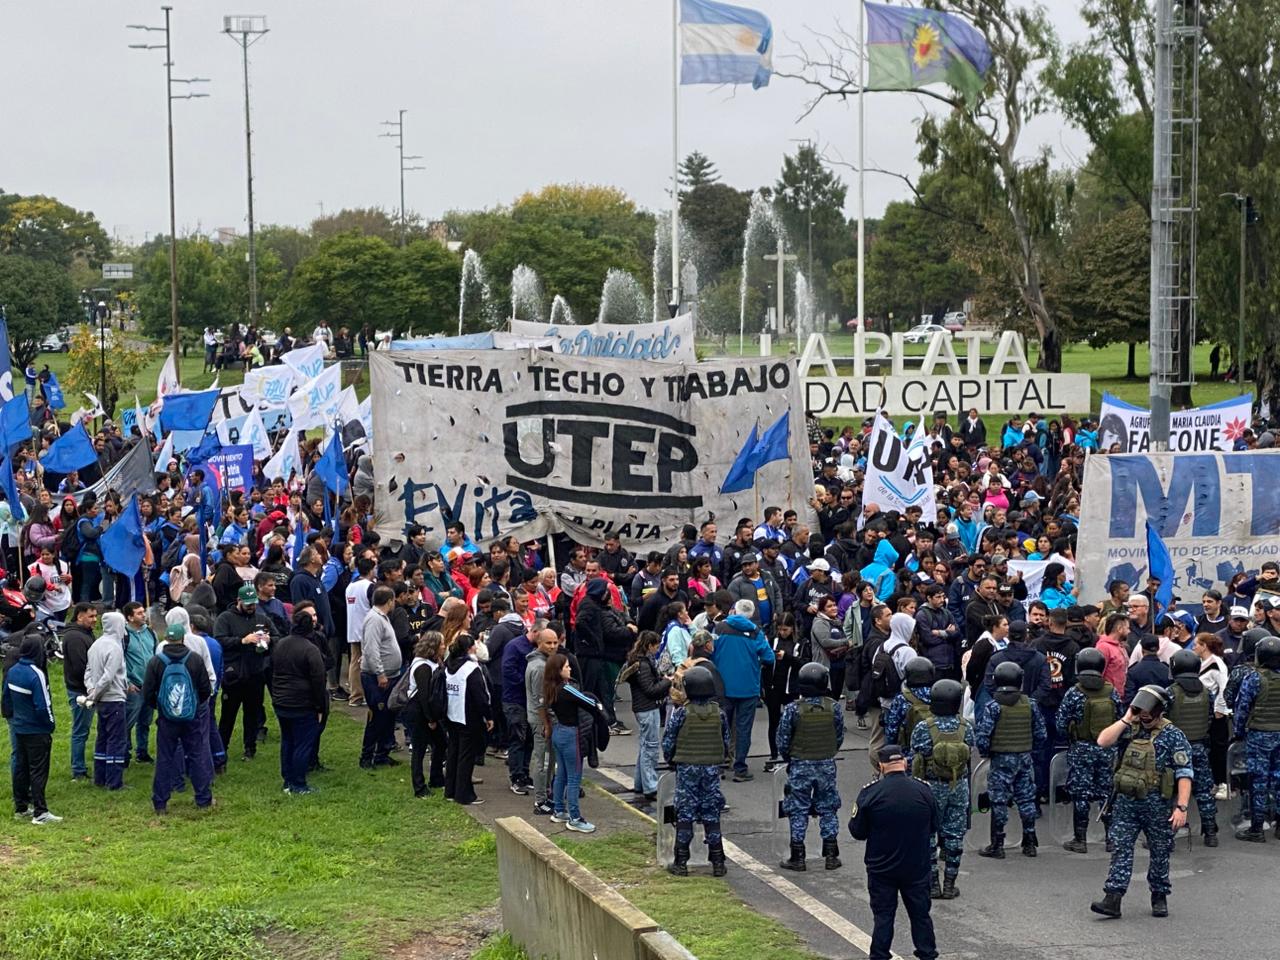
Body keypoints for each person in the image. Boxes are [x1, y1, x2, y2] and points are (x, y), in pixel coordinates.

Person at [1090, 685, 1194, 919]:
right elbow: (1103, 741)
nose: (1144, 716)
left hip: (1157, 804)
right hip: (1126, 803)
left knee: (1160, 850)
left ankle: (1159, 895)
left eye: (1148, 712)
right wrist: (1127, 719)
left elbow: (1184, 773)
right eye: (1141, 711)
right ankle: (1113, 898)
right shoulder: (1130, 729)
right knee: (1121, 848)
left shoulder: (1173, 735)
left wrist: (1181, 807)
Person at [848, 745, 939, 960]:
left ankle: (879, 955)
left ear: (881, 766)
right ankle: (927, 954)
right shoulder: (924, 790)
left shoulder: (870, 793)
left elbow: (857, 832)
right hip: (916, 866)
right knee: (920, 915)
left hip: (882, 868)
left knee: (883, 916)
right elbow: (935, 825)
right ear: (904, 763)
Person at [662, 665, 729, 877]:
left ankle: (681, 862)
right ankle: (718, 862)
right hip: (711, 769)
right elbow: (726, 742)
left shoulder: (681, 713)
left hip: (686, 769)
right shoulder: (719, 714)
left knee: (685, 814)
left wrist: (671, 760)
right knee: (711, 813)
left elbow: (669, 741)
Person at [777, 661, 844, 872]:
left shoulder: (793, 709)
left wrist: (791, 757)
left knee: (798, 809)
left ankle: (798, 856)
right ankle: (831, 855)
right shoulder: (833, 707)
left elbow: (783, 740)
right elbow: (838, 736)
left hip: (800, 764)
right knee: (828, 807)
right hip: (826, 764)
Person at [975, 660, 1046, 859]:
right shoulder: (1030, 704)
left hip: (1001, 759)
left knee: (998, 800)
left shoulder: (993, 707)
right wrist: (1030, 749)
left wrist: (986, 752)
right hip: (1024, 757)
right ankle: (1030, 842)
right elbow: (1041, 734)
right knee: (1026, 798)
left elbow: (983, 736)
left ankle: (997, 844)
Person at [908, 678, 971, 899]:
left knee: (927, 834)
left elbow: (914, 752)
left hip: (929, 786)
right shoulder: (965, 727)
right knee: (954, 835)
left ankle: (932, 883)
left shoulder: (924, 727)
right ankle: (950, 883)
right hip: (958, 785)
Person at [143, 624, 214, 813]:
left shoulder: (156, 661)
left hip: (167, 719)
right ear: (183, 638)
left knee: (165, 758)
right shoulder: (195, 659)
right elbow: (206, 689)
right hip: (192, 717)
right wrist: (194, 706)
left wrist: (162, 708)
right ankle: (203, 799)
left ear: (166, 639)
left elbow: (147, 692)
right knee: (197, 756)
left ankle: (160, 803)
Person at [1057, 648, 1121, 854]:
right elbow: (1121, 719)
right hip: (1107, 749)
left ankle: (1080, 839)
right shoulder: (1111, 691)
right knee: (1106, 792)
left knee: (1081, 794)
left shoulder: (1074, 693)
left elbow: (1060, 724)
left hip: (1081, 749)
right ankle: (1111, 839)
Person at [711, 599, 775, 782]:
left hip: (723, 686)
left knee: (721, 726)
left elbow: (711, 651)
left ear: (734, 610)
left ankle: (720, 764)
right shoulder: (756, 632)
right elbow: (769, 657)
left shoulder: (720, 628)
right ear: (752, 614)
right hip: (748, 687)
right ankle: (740, 767)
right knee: (743, 729)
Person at [543, 651, 605, 833]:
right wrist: (600, 708)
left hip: (558, 731)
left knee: (561, 774)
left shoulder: (550, 688)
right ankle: (575, 818)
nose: (570, 669)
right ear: (559, 670)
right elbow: (588, 702)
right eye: (567, 666)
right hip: (571, 734)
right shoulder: (566, 688)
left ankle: (559, 810)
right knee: (574, 777)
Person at [215, 583, 278, 760]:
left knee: (252, 713)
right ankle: (221, 749)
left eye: (253, 604)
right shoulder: (225, 618)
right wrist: (242, 641)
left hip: (256, 673)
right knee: (228, 715)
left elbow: (277, 636)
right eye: (248, 604)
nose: (251, 607)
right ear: (238, 600)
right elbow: (219, 640)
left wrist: (269, 640)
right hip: (233, 673)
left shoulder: (262, 618)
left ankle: (250, 748)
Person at [3, 633, 60, 823]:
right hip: (36, 730)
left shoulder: (13, 670)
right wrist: (50, 724)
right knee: (38, 771)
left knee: (21, 767)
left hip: (19, 727)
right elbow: (43, 705)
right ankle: (40, 812)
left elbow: (6, 698)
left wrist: (14, 718)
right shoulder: (37, 674)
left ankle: (21, 808)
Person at [1164, 648, 1219, 845]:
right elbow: (1210, 718)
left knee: (1168, 791)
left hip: (1174, 750)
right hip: (1199, 746)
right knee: (1204, 791)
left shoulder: (1170, 693)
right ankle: (1211, 833)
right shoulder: (1206, 692)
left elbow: (1162, 720)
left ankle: (1166, 836)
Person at [271, 608, 328, 795]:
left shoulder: (280, 644)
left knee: (287, 740)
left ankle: (287, 780)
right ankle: (298, 784)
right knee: (302, 744)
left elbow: (272, 669)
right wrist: (320, 707)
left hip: (281, 702)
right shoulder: (310, 650)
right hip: (302, 704)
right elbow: (319, 680)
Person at [1231, 636, 1280, 842]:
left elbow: (1242, 708)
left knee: (1258, 782)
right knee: (1278, 779)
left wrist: (1238, 732)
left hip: (1259, 734)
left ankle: (1257, 828)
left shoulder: (1254, 678)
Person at [620, 631, 670, 803]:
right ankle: (650, 786)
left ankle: (641, 783)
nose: (658, 648)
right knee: (651, 747)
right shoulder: (644, 665)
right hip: (647, 708)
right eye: (656, 645)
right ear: (649, 646)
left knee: (644, 746)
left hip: (642, 708)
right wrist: (667, 681)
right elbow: (650, 690)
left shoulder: (637, 662)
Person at [443, 633, 492, 805]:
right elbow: (481, 695)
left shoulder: (448, 665)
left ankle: (450, 790)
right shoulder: (471, 668)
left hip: (451, 714)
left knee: (453, 753)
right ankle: (464, 794)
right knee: (466, 756)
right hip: (468, 716)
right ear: (470, 649)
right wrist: (488, 716)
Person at [84, 611, 129, 790]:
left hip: (101, 701)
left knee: (102, 738)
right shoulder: (115, 647)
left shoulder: (95, 645)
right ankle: (114, 781)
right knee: (116, 740)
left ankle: (100, 777)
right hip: (114, 698)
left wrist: (91, 690)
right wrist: (95, 693)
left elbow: (88, 671)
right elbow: (108, 677)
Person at [359, 585, 402, 769]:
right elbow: (371, 648)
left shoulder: (382, 618)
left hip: (389, 675)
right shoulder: (375, 620)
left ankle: (382, 754)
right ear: (390, 601)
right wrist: (380, 673)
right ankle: (367, 757)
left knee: (387, 717)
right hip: (377, 678)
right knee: (377, 717)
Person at [61, 603, 98, 781]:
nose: (95, 620)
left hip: (84, 689)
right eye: (91, 616)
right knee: (81, 731)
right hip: (81, 692)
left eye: (96, 616)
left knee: (82, 730)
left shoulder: (84, 633)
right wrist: (92, 687)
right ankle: (78, 770)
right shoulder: (76, 637)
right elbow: (80, 667)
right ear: (79, 616)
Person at [883, 657, 935, 757]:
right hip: (936, 753)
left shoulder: (902, 698)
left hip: (908, 755)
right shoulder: (939, 695)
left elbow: (892, 730)